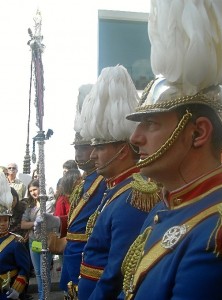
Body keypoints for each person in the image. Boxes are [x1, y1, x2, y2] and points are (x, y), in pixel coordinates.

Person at [119, 1, 222, 299]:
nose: (135, 138)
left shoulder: (216, 230)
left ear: (198, 132)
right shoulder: (163, 207)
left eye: (150, 124)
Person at [76, 65, 160, 299]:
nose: (93, 155)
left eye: (100, 147)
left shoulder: (134, 195)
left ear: (122, 151)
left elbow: (117, 271)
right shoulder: (116, 190)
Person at [34, 83, 107, 299]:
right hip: (73, 254)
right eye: (76, 148)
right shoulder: (84, 180)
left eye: (84, 147)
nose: (80, 153)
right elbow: (79, 219)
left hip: (89, 257)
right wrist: (58, 222)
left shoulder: (105, 179)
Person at [21, 180, 54, 300]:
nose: (33, 193)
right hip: (33, 242)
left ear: (41, 188)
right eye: (30, 191)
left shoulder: (49, 204)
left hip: (46, 242)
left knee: (44, 272)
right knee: (38, 272)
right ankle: (42, 296)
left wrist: (33, 224)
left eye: (35, 189)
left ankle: (44, 297)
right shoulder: (30, 207)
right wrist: (35, 223)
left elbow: (48, 223)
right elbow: (23, 224)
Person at [0, 172, 30, 300]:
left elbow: (24, 269)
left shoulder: (16, 242)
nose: (2, 224)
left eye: (5, 220)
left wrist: (17, 289)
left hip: (7, 292)